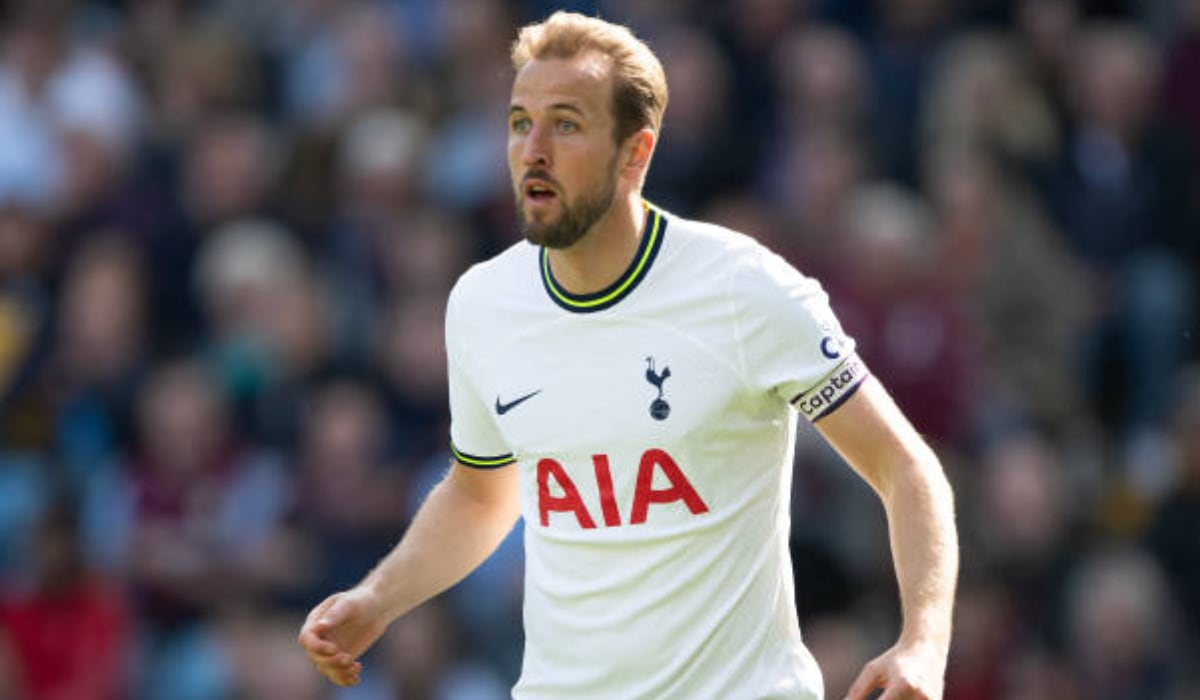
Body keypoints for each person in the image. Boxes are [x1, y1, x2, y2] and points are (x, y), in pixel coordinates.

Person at [298, 11, 958, 700]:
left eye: (567, 124)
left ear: (635, 153)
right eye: (521, 122)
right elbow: (480, 493)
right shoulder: (482, 303)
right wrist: (379, 599)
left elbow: (905, 467)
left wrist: (923, 643)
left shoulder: (743, 288)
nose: (534, 150)